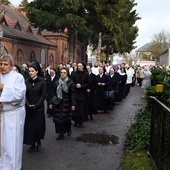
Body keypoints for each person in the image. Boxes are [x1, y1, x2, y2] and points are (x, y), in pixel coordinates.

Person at [0, 54, 26, 170]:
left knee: (11, 145)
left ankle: (13, 167)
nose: (2, 67)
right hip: (1, 115)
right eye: (0, 64)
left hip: (13, 115)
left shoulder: (18, 77)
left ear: (11, 66)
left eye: (5, 64)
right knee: (2, 146)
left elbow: (19, 95)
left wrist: (3, 87)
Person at [24, 63, 46, 152]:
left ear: (37, 72)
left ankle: (38, 142)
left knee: (38, 126)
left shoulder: (42, 81)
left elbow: (43, 94)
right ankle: (32, 144)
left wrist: (36, 105)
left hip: (38, 108)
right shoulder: (26, 81)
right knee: (30, 127)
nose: (30, 73)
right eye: (29, 71)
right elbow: (24, 95)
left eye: (32, 71)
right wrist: (28, 104)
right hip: (29, 108)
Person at [49, 68, 76, 140]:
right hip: (58, 102)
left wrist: (73, 104)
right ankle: (60, 133)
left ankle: (67, 129)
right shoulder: (57, 82)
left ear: (67, 74)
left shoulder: (70, 83)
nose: (63, 74)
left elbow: (72, 95)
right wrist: (51, 102)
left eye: (64, 72)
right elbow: (54, 93)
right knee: (58, 118)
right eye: (61, 72)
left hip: (66, 103)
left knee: (65, 118)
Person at [71, 62, 90, 127]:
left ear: (83, 67)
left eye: (80, 66)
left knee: (81, 108)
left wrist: (81, 86)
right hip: (76, 93)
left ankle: (81, 122)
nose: (79, 67)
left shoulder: (86, 74)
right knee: (75, 108)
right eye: (78, 66)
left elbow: (88, 84)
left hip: (83, 93)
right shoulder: (74, 74)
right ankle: (76, 121)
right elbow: (71, 83)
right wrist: (75, 85)